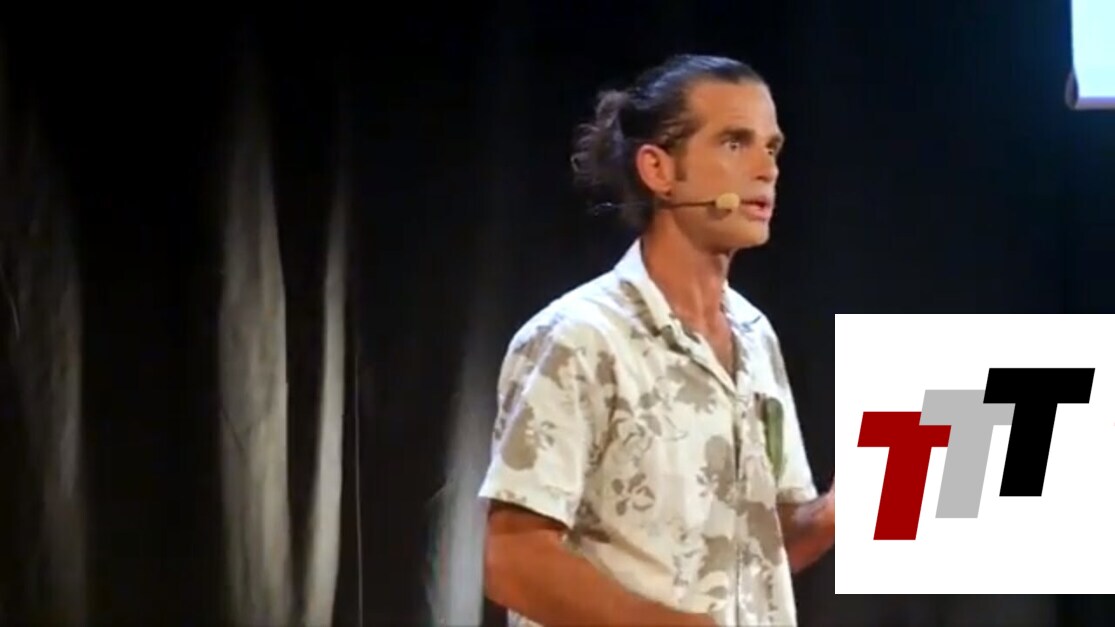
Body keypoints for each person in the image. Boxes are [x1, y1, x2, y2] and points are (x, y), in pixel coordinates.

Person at [478, 53, 834, 626]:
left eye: (772, 148)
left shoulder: (756, 336)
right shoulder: (579, 338)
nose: (766, 169)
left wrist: (837, 512)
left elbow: (762, 551)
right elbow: (514, 562)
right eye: (735, 143)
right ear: (658, 169)